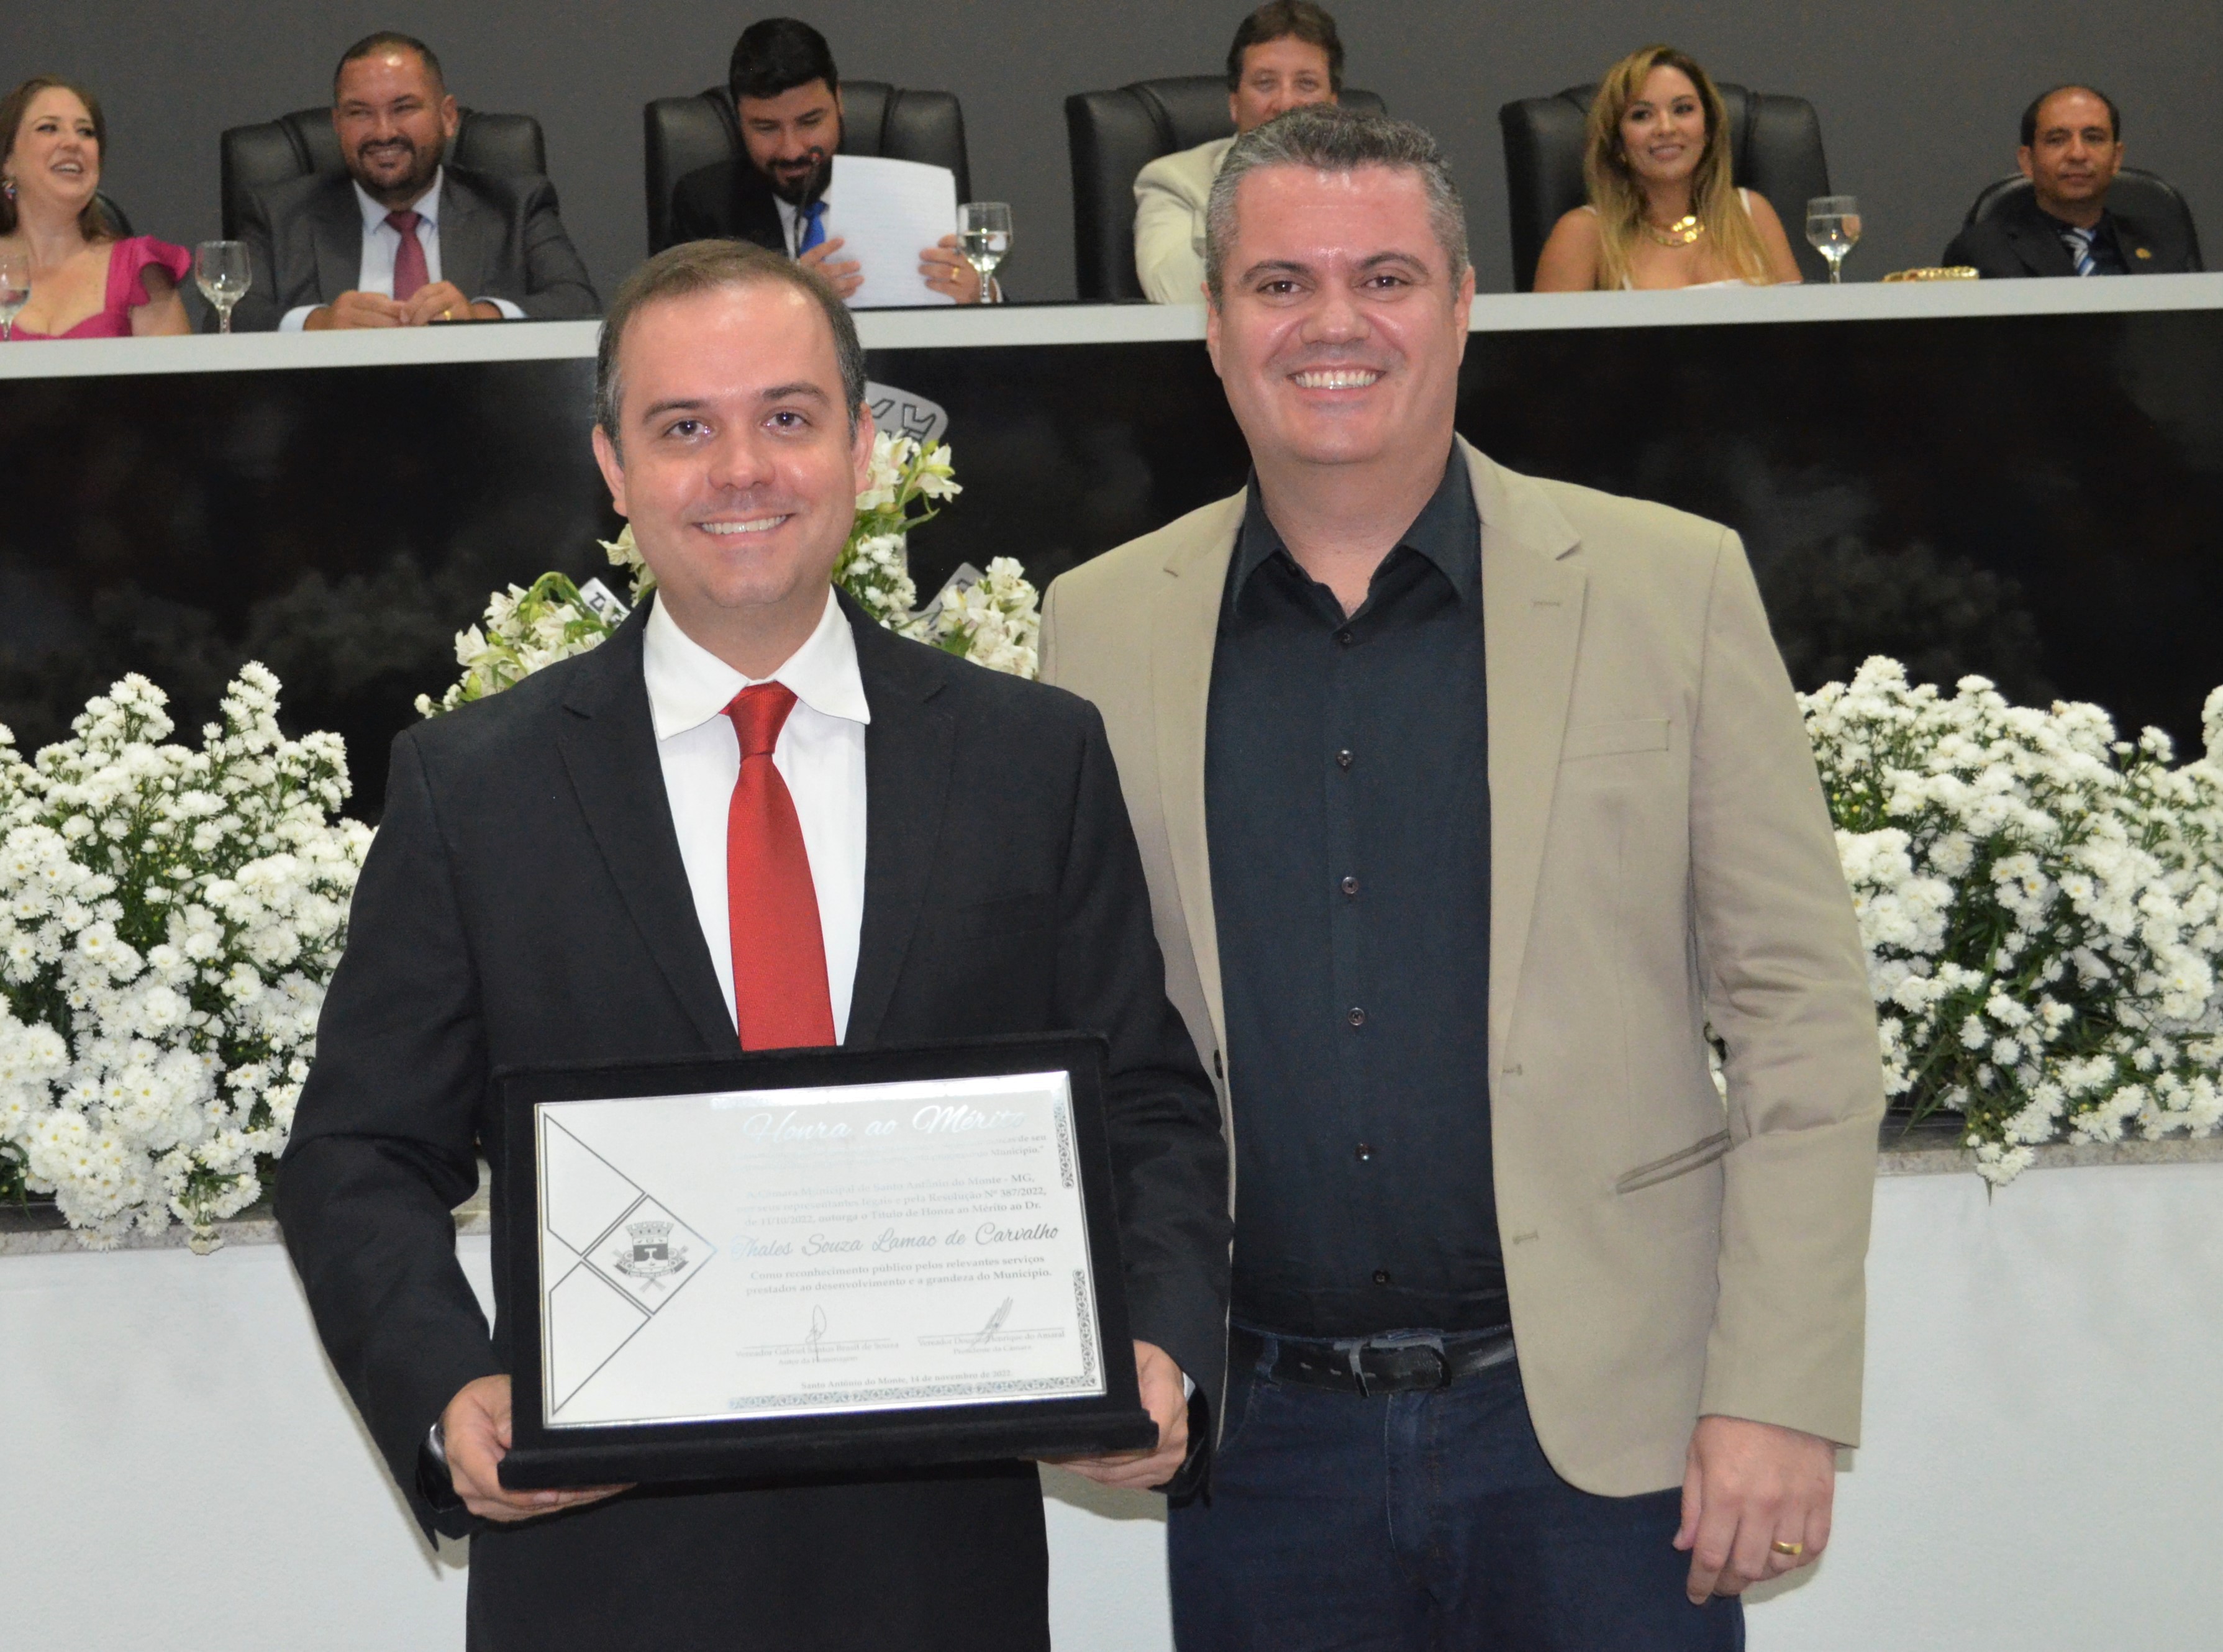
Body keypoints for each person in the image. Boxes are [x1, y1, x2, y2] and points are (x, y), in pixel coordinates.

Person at [275, 237, 1229, 1651]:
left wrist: (1160, 1347)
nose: (740, 471)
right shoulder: (474, 789)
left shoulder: (1030, 760)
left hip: (938, 1590)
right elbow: (357, 1153)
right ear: (613, 468)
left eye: (786, 417)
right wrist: (446, 1392)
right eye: (683, 429)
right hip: (599, 1589)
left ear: (859, 448)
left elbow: (1146, 1106)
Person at [1040, 107, 1883, 1648]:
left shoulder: (1668, 584)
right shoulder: (1097, 628)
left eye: (1384, 277)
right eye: (1280, 284)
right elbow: (1092, 1042)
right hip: (1263, 1456)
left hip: (1606, 1447)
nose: (1334, 323)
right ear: (1214, 325)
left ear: (1463, 304)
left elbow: (1802, 1018)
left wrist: (1776, 1388)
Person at [229, 32, 598, 332]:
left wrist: (480, 317)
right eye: (360, 113)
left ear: (448, 117)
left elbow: (579, 304)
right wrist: (317, 323)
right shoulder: (278, 215)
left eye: (404, 108)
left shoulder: (515, 205)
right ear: (338, 125)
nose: (383, 132)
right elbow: (228, 318)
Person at [667, 18, 988, 304]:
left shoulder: (915, 192)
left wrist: (982, 296)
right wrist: (791, 298)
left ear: (839, 102)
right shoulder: (706, 207)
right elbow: (683, 331)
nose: (791, 151)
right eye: (766, 128)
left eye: (810, 122)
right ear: (740, 121)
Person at [1533, 45, 1802, 291]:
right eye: (1642, 115)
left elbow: (1802, 326)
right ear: (1617, 142)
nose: (1666, 128)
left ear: (1708, 128)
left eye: (1683, 109)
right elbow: (1551, 332)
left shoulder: (1753, 214)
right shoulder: (1583, 233)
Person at [1132, 0, 1341, 304]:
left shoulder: (1375, 182)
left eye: (1306, 84)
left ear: (1333, 104)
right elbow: (1176, 296)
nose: (1285, 103)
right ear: (1234, 103)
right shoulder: (1172, 180)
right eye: (1265, 83)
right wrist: (1261, 188)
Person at [1942, 85, 2199, 278]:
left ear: (2116, 158)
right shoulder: (1982, 253)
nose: (2078, 154)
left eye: (2093, 138)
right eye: (2057, 140)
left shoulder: (2164, 246)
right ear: (2028, 161)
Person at [0, 77, 188, 338]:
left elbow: (176, 367)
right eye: (49, 128)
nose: (72, 143)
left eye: (86, 132)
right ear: (7, 162)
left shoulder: (139, 272)